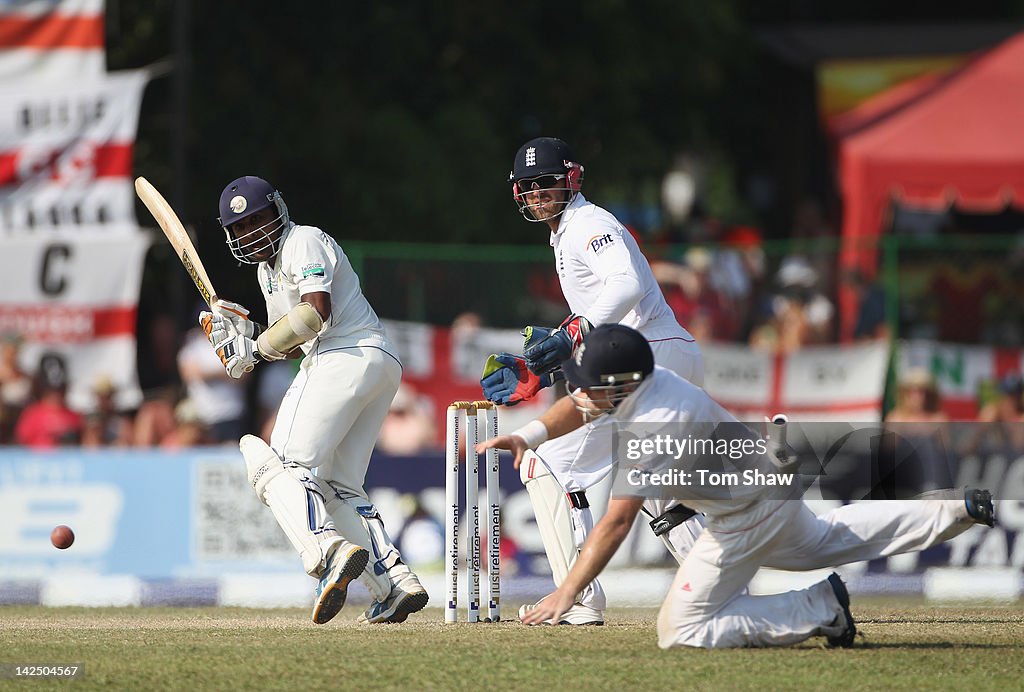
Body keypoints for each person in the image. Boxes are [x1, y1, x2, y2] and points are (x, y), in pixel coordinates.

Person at [480, 324, 996, 647]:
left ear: (622, 384)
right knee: (829, 539)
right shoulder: (645, 383)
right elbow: (581, 402)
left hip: (746, 511)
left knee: (680, 631)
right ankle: (952, 511)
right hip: (765, 484)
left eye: (588, 380)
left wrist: (566, 595)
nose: (577, 389)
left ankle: (817, 608)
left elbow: (615, 522)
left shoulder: (655, 423)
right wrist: (528, 433)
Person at [480, 137, 704, 625]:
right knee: (659, 489)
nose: (538, 193)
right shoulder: (568, 231)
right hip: (663, 354)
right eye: (529, 186)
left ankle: (577, 598)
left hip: (649, 357)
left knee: (544, 460)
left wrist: (570, 335)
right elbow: (597, 318)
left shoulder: (590, 223)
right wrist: (541, 369)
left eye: (547, 183)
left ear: (571, 179)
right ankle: (717, 586)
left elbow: (625, 286)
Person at [200, 175, 427, 624]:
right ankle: (394, 585)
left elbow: (314, 313)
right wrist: (240, 342)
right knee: (337, 486)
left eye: (259, 219)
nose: (253, 232)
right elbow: (285, 339)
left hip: (344, 353)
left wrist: (256, 349)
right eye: (242, 227)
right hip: (373, 363)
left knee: (277, 467)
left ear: (279, 211)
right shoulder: (267, 272)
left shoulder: (301, 240)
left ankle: (326, 549)